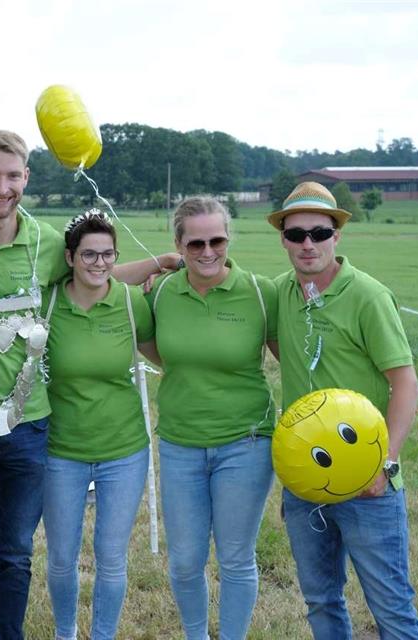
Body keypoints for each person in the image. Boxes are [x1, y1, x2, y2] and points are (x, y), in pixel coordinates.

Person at [0, 130, 176, 640]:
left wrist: (159, 264)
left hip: (29, 427)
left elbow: (96, 274)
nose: (2, 187)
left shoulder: (44, 242)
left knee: (16, 556)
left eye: (13, 176)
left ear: (27, 179)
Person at [270, 181, 418, 639]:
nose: (307, 244)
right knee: (321, 601)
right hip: (306, 481)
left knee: (391, 607)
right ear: (283, 239)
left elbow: (405, 383)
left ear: (337, 234)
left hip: (367, 482)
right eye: (296, 234)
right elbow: (282, 347)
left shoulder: (368, 296)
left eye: (319, 232)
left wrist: (386, 462)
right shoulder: (281, 293)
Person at [142, 197, 278, 640]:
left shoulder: (260, 293)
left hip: (247, 443)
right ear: (178, 245)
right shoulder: (161, 291)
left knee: (236, 557)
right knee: (184, 559)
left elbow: (290, 359)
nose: (207, 251)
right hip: (180, 443)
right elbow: (150, 346)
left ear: (228, 239)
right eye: (195, 242)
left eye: (216, 240)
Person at [41, 210, 155, 640]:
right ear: (70, 257)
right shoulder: (48, 302)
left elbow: (162, 352)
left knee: (110, 556)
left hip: (123, 449)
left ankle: (103, 635)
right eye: (89, 254)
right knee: (61, 556)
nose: (99, 263)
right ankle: (65, 632)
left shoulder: (130, 303)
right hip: (61, 450)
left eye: (107, 255)